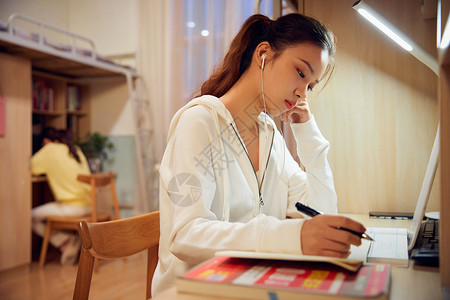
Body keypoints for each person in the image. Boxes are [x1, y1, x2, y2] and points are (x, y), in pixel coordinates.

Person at [152, 13, 367, 295]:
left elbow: (321, 211)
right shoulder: (200, 121)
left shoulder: (269, 135)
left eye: (310, 86)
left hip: (249, 288)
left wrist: (308, 136)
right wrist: (291, 236)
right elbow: (185, 235)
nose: (302, 94)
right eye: (301, 73)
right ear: (263, 53)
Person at [31, 127, 91, 265]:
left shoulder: (50, 149)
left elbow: (29, 166)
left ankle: (64, 241)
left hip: (72, 207)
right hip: (89, 205)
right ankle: (66, 242)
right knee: (51, 210)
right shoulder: (75, 149)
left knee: (29, 216)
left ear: (48, 141)